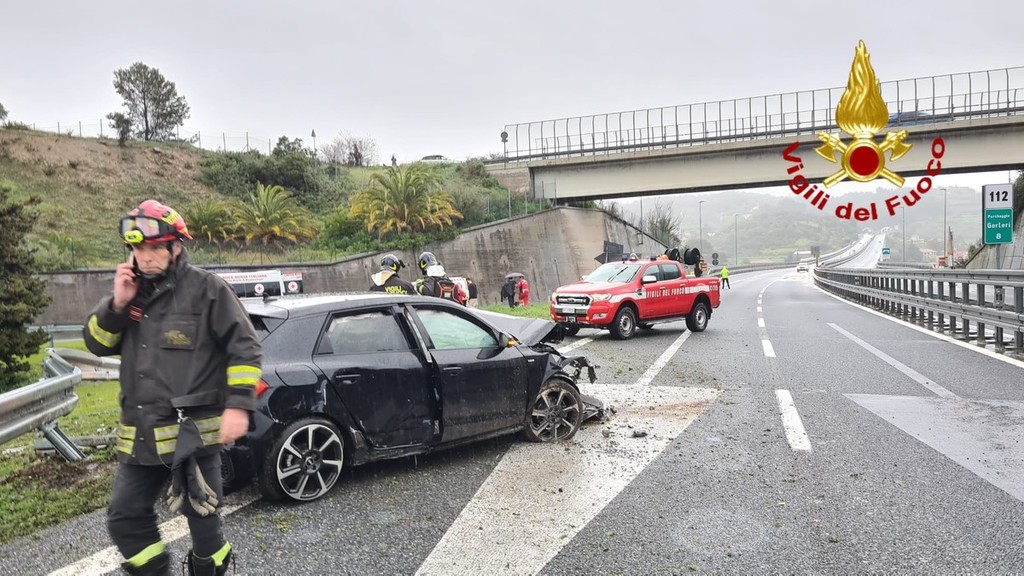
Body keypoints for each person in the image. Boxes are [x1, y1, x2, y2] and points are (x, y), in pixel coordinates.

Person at [83, 199, 262, 576]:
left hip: (192, 435)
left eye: (153, 248)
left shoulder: (207, 290)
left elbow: (244, 347)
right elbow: (97, 343)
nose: (144, 257)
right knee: (124, 517)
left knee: (205, 528)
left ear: (175, 247)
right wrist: (117, 303)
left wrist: (239, 405)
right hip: (140, 434)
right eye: (137, 249)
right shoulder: (128, 296)